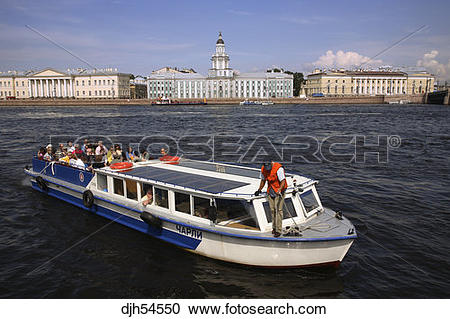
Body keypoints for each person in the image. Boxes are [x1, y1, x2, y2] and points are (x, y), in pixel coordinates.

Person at [254, 161, 287, 237]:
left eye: (269, 167)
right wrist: (259, 190)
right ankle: (274, 228)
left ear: (271, 164)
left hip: (279, 191)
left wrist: (280, 189)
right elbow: (263, 180)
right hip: (271, 191)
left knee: (278, 210)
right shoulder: (263, 169)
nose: (267, 169)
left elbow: (283, 181)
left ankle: (278, 230)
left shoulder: (278, 169)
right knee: (272, 210)